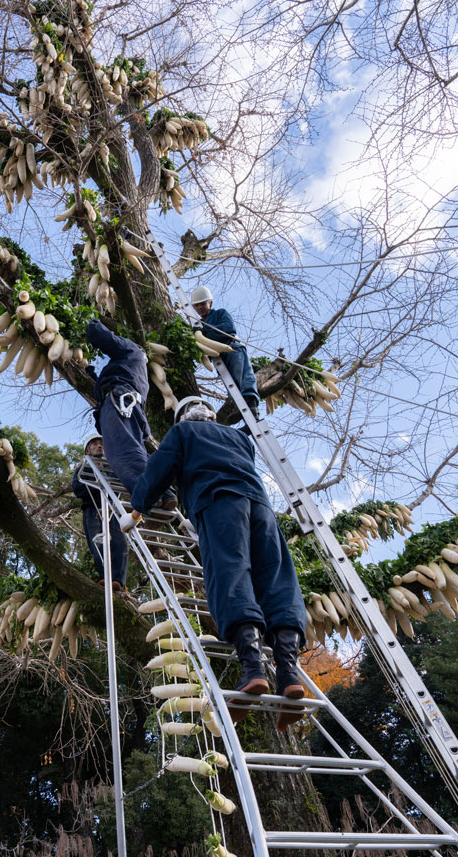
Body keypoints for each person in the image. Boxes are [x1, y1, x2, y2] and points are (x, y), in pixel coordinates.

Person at [122, 396, 307, 730]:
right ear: (210, 414)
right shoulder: (239, 438)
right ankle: (290, 675)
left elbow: (159, 469)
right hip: (260, 508)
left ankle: (252, 669)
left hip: (219, 504)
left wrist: (138, 506)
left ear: (184, 418)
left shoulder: (183, 434)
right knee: (276, 580)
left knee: (230, 574)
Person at [85, 318, 176, 508]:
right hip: (129, 407)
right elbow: (110, 383)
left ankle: (149, 493)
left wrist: (88, 321)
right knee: (138, 452)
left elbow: (101, 336)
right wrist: (93, 376)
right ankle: (165, 493)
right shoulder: (137, 373)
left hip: (120, 404)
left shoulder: (131, 349)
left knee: (122, 452)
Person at [191, 285, 260, 420]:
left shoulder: (220, 314)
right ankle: (248, 418)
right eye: (197, 305)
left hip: (232, 349)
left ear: (210, 303)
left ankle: (252, 406)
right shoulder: (197, 324)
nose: (200, 308)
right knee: (232, 387)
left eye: (203, 304)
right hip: (219, 359)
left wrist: (205, 332)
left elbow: (228, 328)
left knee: (243, 377)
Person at [73, 433, 129, 591]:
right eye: (94, 444)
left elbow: (122, 484)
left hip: (113, 510)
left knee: (119, 543)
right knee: (98, 543)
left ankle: (117, 580)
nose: (99, 446)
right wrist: (96, 482)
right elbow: (78, 489)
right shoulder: (82, 469)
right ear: (87, 451)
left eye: (102, 443)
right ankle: (104, 576)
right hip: (92, 508)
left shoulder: (113, 467)